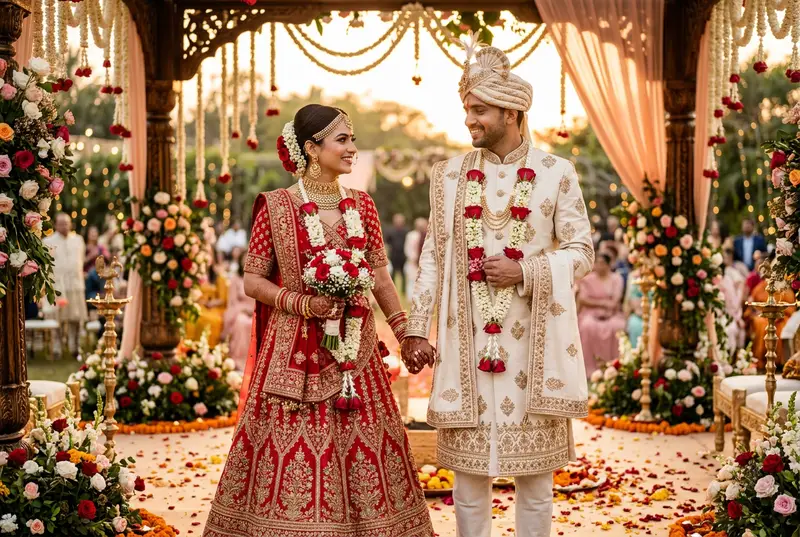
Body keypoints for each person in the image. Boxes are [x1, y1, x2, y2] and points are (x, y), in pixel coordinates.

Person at [203, 105, 434, 537]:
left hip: (357, 351)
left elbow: (380, 275)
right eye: (342, 139)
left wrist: (405, 333)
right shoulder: (274, 206)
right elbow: (253, 280)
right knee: (288, 452)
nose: (352, 148)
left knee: (362, 449)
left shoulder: (363, 206)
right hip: (293, 352)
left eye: (352, 138)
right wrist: (301, 304)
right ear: (311, 148)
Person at [402, 46, 593, 537]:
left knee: (536, 487)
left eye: (479, 110)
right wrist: (417, 330)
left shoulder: (557, 173)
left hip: (535, 347)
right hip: (465, 349)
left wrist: (526, 271)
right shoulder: (447, 176)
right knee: (466, 486)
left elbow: (582, 252)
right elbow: (431, 257)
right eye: (467, 109)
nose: (470, 120)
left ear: (512, 112)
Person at [45, 213, 88, 353]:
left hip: (75, 284)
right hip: (58, 285)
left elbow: (80, 260)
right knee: (57, 318)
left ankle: (74, 346)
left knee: (75, 317)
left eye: (67, 223)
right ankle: (57, 346)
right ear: (56, 225)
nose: (65, 226)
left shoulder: (78, 240)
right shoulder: (48, 241)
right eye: (61, 223)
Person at [744, 251, 796, 369]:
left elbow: (790, 309)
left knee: (783, 328)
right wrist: (754, 312)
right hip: (763, 317)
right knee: (760, 323)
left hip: (782, 319)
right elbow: (751, 305)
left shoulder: (785, 289)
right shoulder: (762, 286)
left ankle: (779, 362)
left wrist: (778, 316)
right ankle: (761, 360)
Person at [576, 252, 626, 373]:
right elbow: (583, 299)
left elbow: (615, 300)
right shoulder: (587, 279)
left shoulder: (616, 278)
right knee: (587, 326)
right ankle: (589, 369)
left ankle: (615, 366)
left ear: (609, 265)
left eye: (602, 263)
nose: (599, 266)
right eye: (597, 263)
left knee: (618, 327)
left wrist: (608, 308)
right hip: (590, 313)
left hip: (611, 313)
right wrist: (602, 304)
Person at [221, 253, 255, 370]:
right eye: (244, 260)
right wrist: (244, 310)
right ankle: (239, 361)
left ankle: (254, 362)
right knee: (242, 323)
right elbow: (232, 302)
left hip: (256, 312)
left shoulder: (259, 280)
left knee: (253, 324)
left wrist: (253, 310)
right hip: (239, 311)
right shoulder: (236, 279)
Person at [403, 217, 428, 299]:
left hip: (424, 261)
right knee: (411, 280)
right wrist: (412, 258)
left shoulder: (427, 235)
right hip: (412, 261)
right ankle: (410, 297)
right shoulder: (411, 235)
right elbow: (407, 248)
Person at [384, 213, 408, 293]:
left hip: (403, 255)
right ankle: (392, 290)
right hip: (393, 255)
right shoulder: (390, 231)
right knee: (392, 274)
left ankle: (403, 291)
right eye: (397, 220)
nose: (398, 222)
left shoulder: (406, 231)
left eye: (400, 221)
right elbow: (386, 243)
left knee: (403, 273)